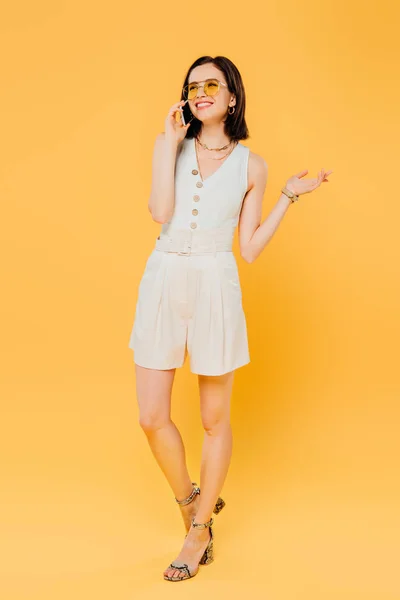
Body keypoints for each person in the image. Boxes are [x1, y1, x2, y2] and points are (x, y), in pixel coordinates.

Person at [128, 55, 333, 582]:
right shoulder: (167, 145)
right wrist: (169, 144)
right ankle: (192, 502)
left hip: (216, 281)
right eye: (193, 85)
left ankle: (198, 535)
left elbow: (249, 248)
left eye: (212, 84)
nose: (201, 91)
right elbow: (159, 211)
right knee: (152, 416)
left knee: (213, 420)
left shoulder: (252, 165)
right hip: (165, 274)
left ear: (232, 97)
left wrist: (288, 196)